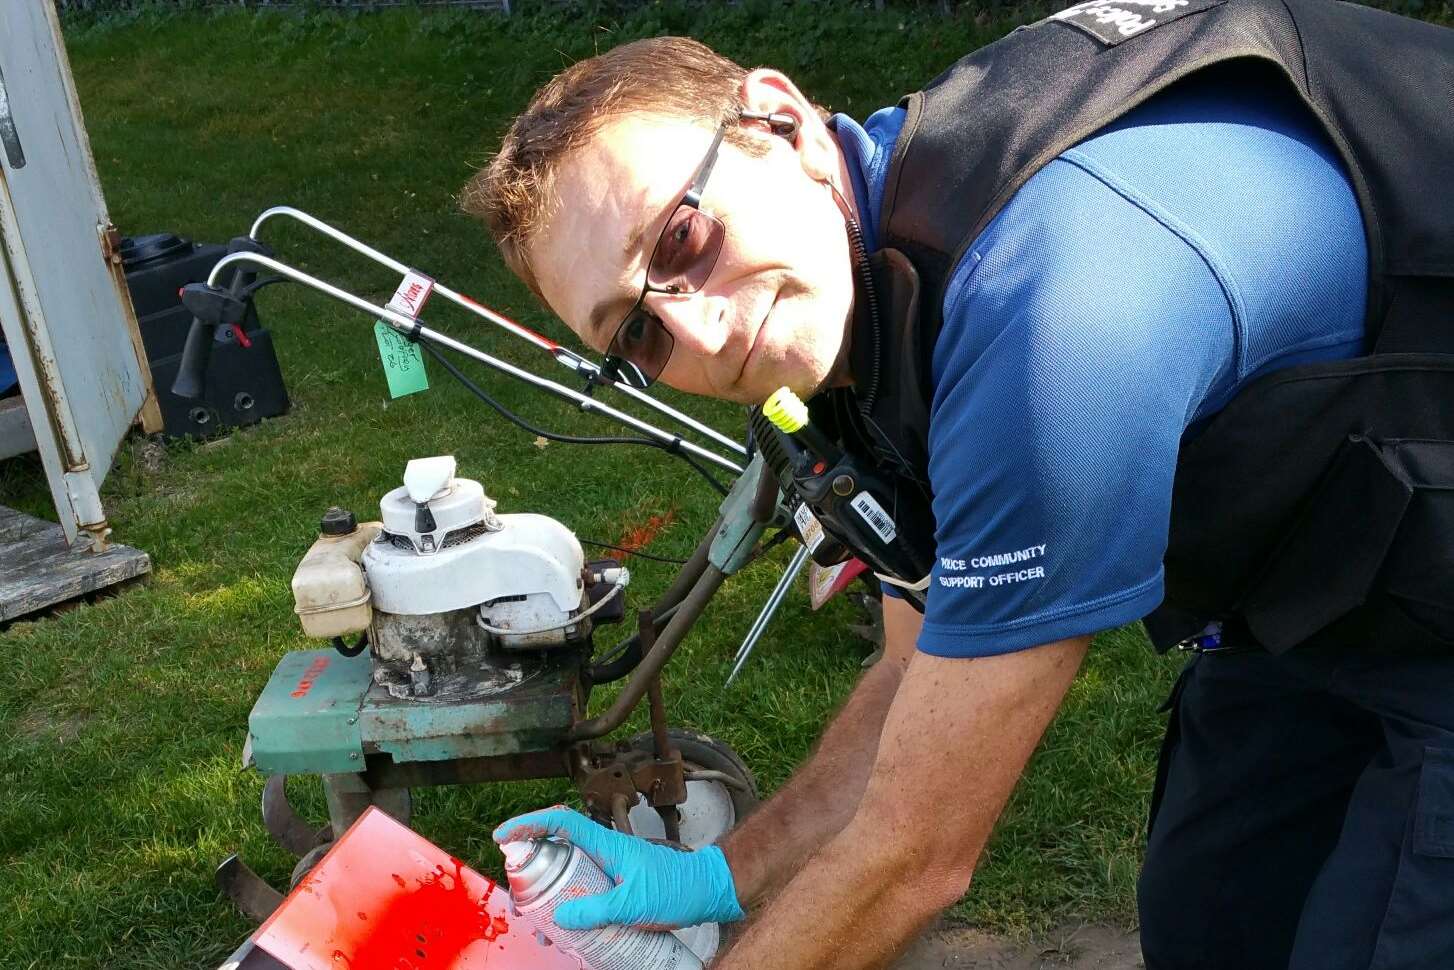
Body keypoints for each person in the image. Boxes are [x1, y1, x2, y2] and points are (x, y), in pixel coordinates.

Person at [468, 1, 1454, 967]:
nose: (701, 333)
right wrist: (716, 877)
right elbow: (909, 676)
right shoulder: (858, 297)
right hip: (1340, 572)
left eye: (681, 240)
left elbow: (915, 852)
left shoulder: (1044, 310)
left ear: (780, 124)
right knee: (1211, 914)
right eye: (635, 334)